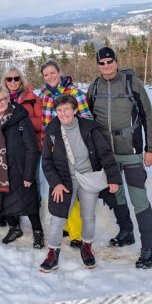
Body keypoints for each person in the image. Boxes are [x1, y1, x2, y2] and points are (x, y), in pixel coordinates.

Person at [86, 46, 152, 269]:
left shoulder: (132, 83)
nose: (106, 66)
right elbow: (88, 121)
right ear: (97, 65)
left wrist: (151, 148)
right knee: (115, 195)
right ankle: (126, 231)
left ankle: (149, 247)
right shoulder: (94, 88)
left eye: (110, 62)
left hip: (132, 152)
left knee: (139, 199)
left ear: (116, 62)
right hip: (108, 156)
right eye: (102, 63)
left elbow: (148, 116)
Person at [40, 95, 121, 271]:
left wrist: (113, 178)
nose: (63, 114)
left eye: (67, 109)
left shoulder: (89, 129)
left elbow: (105, 153)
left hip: (88, 177)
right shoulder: (52, 132)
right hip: (64, 180)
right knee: (58, 217)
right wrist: (56, 184)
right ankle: (53, 253)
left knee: (88, 215)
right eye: (59, 110)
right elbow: (46, 161)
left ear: (75, 110)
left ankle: (86, 246)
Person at [38, 59, 92, 248]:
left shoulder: (75, 93)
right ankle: (67, 225)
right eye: (46, 74)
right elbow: (44, 123)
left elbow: (87, 120)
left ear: (59, 72)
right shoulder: (44, 94)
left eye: (53, 72)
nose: (50, 77)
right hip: (52, 148)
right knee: (58, 187)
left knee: (70, 189)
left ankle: (76, 234)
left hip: (72, 149)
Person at [0, 85, 41, 247]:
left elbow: (32, 148)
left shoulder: (20, 118)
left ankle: (38, 232)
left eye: (2, 99)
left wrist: (29, 174)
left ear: (8, 99)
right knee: (2, 202)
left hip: (19, 169)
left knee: (28, 202)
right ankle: (15, 228)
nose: (0, 103)